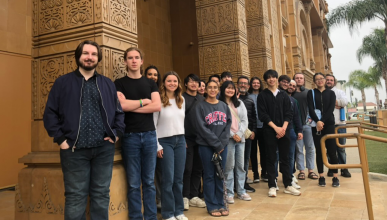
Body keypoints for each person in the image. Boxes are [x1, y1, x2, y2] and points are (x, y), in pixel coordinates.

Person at [43, 40, 125, 219]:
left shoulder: (107, 83)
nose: (90, 57)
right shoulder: (63, 82)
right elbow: (50, 114)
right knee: (75, 197)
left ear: (98, 58)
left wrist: (116, 135)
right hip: (73, 150)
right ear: (78, 56)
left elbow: (119, 112)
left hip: (103, 149)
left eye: (94, 54)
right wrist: (61, 140)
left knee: (101, 194)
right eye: (86, 53)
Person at [114, 47, 161, 220]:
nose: (133, 60)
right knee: (134, 183)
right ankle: (135, 217)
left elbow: (156, 106)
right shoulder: (119, 83)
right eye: (130, 58)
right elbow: (120, 107)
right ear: (125, 61)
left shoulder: (150, 83)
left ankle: (150, 217)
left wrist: (132, 106)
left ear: (142, 61)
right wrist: (143, 102)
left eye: (137, 57)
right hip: (130, 137)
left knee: (149, 182)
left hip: (149, 135)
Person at [258, 69, 300, 197]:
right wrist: (276, 128)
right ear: (266, 80)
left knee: (285, 158)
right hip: (269, 131)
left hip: (284, 131)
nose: (271, 79)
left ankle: (288, 184)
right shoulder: (262, 95)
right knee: (271, 158)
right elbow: (262, 115)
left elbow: (289, 113)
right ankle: (272, 185)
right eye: (268, 77)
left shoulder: (284, 95)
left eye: (273, 77)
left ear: (277, 79)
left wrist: (283, 128)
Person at [194, 80, 231, 217]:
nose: (212, 90)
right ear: (205, 90)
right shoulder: (200, 106)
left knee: (220, 175)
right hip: (206, 146)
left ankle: (221, 203)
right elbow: (201, 127)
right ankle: (212, 205)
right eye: (209, 87)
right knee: (209, 175)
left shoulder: (223, 105)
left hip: (222, 146)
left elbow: (228, 125)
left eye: (215, 87)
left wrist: (221, 143)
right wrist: (216, 143)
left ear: (218, 89)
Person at [154, 71, 188, 220]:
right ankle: (168, 214)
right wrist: (157, 145)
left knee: (179, 179)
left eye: (175, 81)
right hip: (164, 141)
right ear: (164, 83)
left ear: (178, 83)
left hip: (180, 141)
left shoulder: (181, 99)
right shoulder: (159, 100)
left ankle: (179, 211)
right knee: (168, 179)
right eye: (169, 81)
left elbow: (181, 122)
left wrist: (184, 139)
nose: (172, 83)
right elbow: (153, 125)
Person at [219, 81, 252, 203]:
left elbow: (244, 120)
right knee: (229, 167)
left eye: (232, 88)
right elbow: (221, 123)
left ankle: (241, 191)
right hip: (228, 139)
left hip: (241, 138)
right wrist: (233, 134)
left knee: (240, 166)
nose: (230, 90)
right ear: (223, 90)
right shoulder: (220, 104)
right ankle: (229, 193)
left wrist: (239, 133)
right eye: (228, 88)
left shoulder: (240, 103)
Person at [307, 72, 340, 187]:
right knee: (319, 151)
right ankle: (321, 176)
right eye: (317, 79)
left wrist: (322, 121)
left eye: (321, 78)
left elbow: (331, 108)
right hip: (316, 125)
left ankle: (335, 176)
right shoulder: (311, 93)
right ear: (314, 82)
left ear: (325, 80)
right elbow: (310, 109)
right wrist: (318, 121)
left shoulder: (331, 93)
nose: (320, 81)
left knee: (332, 150)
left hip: (329, 124)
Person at [182, 74, 206, 210]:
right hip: (187, 139)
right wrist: (182, 138)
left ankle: (194, 195)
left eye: (196, 82)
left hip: (201, 139)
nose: (193, 84)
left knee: (198, 168)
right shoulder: (181, 98)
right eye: (190, 81)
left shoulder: (203, 99)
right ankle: (185, 196)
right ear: (185, 84)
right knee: (187, 168)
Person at [143, 64, 163, 209]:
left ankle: (161, 200)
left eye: (155, 74)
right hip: (147, 135)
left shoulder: (162, 93)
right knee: (150, 175)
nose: (152, 77)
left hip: (162, 138)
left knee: (160, 174)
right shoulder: (142, 91)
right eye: (149, 74)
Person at [292, 73, 318, 181]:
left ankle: (311, 170)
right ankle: (301, 171)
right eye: (297, 78)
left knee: (310, 148)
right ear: (294, 80)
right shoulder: (290, 93)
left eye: (301, 78)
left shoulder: (308, 92)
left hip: (307, 125)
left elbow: (313, 108)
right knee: (299, 149)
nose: (299, 79)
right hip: (296, 126)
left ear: (304, 80)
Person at [279, 76, 303, 190]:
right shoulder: (277, 98)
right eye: (289, 84)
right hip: (278, 130)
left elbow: (297, 117)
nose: (291, 87)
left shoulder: (294, 101)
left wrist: (300, 130)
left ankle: (290, 175)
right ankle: (274, 178)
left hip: (291, 130)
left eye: (293, 86)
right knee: (276, 156)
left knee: (290, 155)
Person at [325, 74, 351, 178]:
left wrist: (332, 102)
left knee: (341, 148)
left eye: (331, 80)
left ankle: (344, 168)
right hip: (328, 125)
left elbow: (345, 102)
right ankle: (332, 168)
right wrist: (336, 104)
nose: (329, 81)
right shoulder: (323, 92)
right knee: (330, 149)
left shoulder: (339, 92)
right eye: (327, 80)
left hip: (340, 125)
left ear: (334, 82)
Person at [236, 76, 257, 193]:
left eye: (245, 83)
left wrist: (253, 131)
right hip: (233, 134)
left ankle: (243, 184)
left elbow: (253, 117)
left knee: (244, 160)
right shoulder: (232, 99)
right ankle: (234, 184)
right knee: (233, 162)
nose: (243, 85)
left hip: (247, 134)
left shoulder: (250, 100)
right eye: (241, 83)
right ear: (237, 85)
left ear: (248, 86)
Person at [248, 77, 267, 182]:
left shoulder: (264, 95)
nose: (256, 84)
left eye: (257, 82)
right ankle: (255, 174)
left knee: (264, 151)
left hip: (264, 127)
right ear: (251, 84)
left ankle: (264, 173)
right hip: (252, 128)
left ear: (260, 84)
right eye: (254, 83)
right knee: (253, 151)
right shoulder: (247, 96)